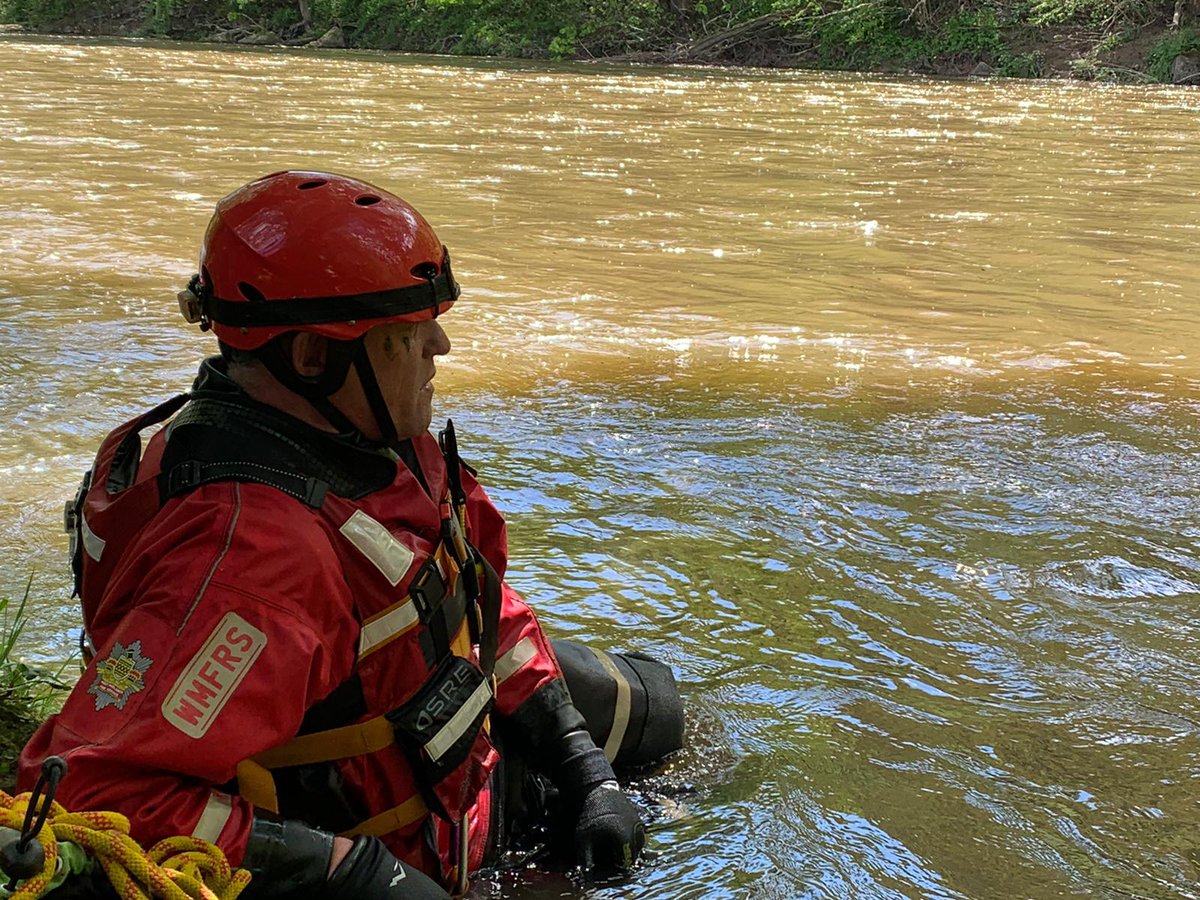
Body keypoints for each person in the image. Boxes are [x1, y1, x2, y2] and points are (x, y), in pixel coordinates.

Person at [17, 171, 683, 898]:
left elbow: (482, 608)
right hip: (366, 840)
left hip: (442, 759)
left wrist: (584, 768)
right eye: (408, 333)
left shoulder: (374, 440)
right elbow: (100, 795)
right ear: (311, 358)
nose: (443, 345)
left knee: (668, 717)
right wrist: (363, 876)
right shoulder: (256, 558)